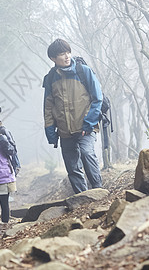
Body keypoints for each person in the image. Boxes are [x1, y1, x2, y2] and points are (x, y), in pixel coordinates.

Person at [43, 38, 103, 194]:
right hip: (64, 130)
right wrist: (50, 131)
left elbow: (98, 99)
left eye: (68, 52)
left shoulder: (84, 71)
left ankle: (98, 192)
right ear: (53, 58)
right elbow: (48, 107)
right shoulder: (50, 78)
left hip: (86, 127)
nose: (67, 56)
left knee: (86, 153)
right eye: (62, 54)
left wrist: (89, 123)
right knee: (72, 165)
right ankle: (82, 198)